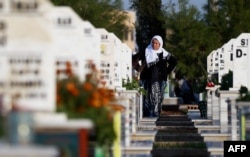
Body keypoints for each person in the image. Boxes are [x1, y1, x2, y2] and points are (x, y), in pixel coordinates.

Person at [137, 35, 177, 117]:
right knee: (146, 97)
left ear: (160, 44)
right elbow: (135, 59)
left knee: (158, 97)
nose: (154, 45)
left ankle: (156, 114)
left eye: (156, 43)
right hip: (146, 78)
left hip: (160, 79)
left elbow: (174, 62)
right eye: (153, 43)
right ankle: (146, 114)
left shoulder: (164, 53)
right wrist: (138, 68)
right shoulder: (146, 51)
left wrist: (166, 71)